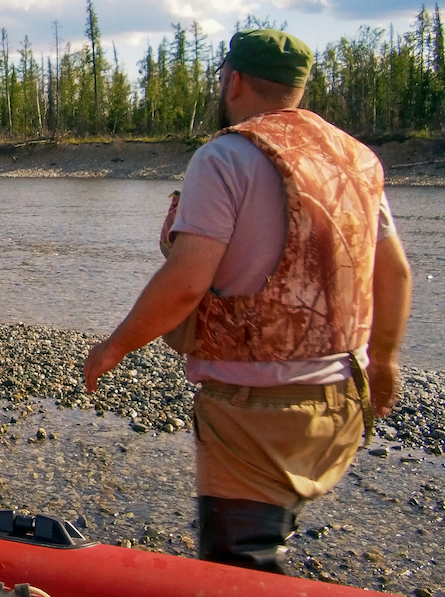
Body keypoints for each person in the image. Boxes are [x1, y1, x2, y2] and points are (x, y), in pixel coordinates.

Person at [82, 29, 413, 573]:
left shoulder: (226, 155)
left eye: (221, 77)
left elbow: (188, 281)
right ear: (297, 88)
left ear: (233, 80)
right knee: (270, 538)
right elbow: (394, 271)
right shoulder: (356, 158)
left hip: (257, 403)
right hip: (342, 396)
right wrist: (386, 360)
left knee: (240, 565)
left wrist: (114, 347)